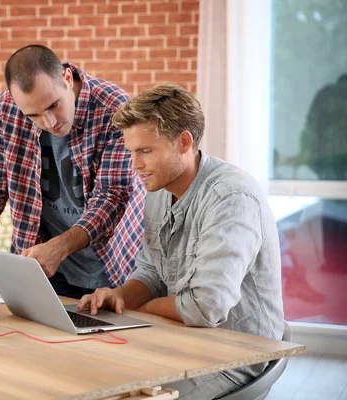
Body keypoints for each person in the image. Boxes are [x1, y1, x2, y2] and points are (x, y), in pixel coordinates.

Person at [77, 84, 284, 399]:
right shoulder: (160, 190)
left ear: (184, 142)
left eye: (145, 151)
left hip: (235, 354)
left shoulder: (230, 196)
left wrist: (140, 311)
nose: (135, 165)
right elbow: (151, 271)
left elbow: (206, 306)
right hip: (184, 340)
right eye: (131, 151)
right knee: (90, 379)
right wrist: (120, 298)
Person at [0, 45, 145, 298]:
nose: (50, 122)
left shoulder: (113, 107)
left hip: (108, 271)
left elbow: (112, 197)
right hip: (39, 269)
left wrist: (59, 247)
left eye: (54, 105)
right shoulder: (8, 108)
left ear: (65, 77)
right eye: (34, 115)